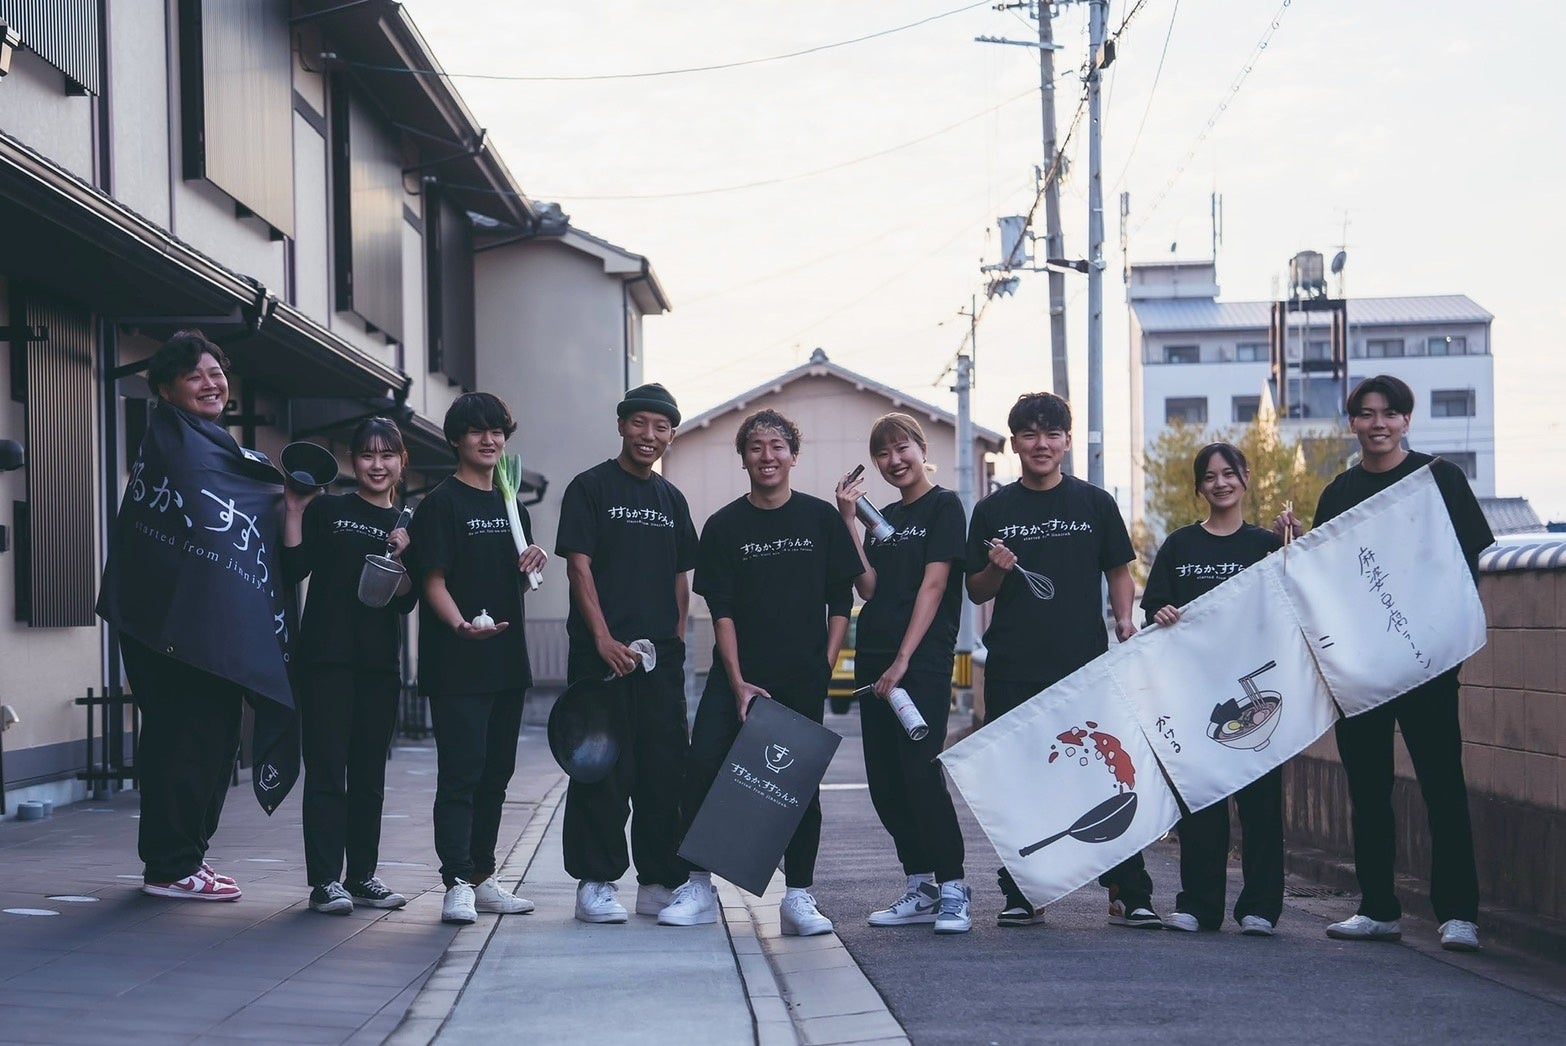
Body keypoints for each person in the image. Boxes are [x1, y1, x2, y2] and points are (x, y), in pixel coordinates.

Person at [1274, 374, 1493, 952]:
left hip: (1426, 661)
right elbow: (1327, 580)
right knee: (1368, 789)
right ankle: (1377, 908)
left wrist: (1444, 639)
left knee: (1442, 785)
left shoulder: (1439, 479)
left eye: (1390, 413)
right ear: (1352, 423)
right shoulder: (1339, 493)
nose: (1379, 424)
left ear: (1406, 420)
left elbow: (1466, 564)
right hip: (1362, 666)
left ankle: (1459, 914)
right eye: (1367, 414)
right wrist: (1294, 545)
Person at [658, 409, 862, 934]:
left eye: (776, 446)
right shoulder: (725, 525)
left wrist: (825, 663)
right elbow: (720, 610)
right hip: (737, 676)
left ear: (793, 455)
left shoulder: (820, 519)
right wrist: (737, 681)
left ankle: (798, 898)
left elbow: (841, 599)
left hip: (802, 676)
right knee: (703, 766)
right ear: (743, 458)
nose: (766, 456)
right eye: (755, 447)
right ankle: (697, 885)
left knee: (798, 784)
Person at [965, 392, 1158, 928]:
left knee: (1110, 773)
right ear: (1014, 444)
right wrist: (996, 568)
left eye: (1052, 434)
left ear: (1067, 441)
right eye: (1030, 434)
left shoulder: (1094, 503)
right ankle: (1025, 890)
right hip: (1013, 665)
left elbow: (1119, 570)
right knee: (1020, 780)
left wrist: (1125, 620)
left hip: (1084, 663)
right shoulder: (993, 511)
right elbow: (976, 591)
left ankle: (1128, 890)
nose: (1041, 444)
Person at [555, 383, 699, 924]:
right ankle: (595, 883)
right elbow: (579, 568)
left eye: (661, 427)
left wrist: (674, 640)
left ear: (671, 435)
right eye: (639, 423)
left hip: (660, 660)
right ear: (621, 426)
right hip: (602, 660)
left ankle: (659, 881)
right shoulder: (590, 487)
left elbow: (680, 577)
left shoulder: (672, 499)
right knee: (601, 768)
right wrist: (601, 639)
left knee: (665, 771)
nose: (649, 435)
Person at [408, 392, 549, 926]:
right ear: (456, 440)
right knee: (461, 775)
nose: (489, 441)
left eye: (497, 432)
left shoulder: (512, 506)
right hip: (457, 663)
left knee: (496, 776)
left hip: (507, 661)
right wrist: (460, 626)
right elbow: (432, 580)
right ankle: (456, 883)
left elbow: (520, 583)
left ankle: (484, 876)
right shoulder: (441, 504)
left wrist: (533, 563)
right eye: (477, 431)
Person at [833, 413, 970, 934]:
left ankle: (954, 886)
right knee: (886, 780)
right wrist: (849, 519)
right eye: (883, 454)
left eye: (902, 448)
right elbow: (867, 587)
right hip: (874, 656)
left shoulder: (944, 507)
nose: (894, 460)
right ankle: (921, 886)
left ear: (921, 449)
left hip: (920, 660)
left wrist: (904, 660)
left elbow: (934, 587)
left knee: (920, 772)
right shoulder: (883, 518)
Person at [1141, 442, 1284, 936]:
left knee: (1261, 805)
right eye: (1209, 476)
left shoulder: (1266, 545)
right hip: (1196, 693)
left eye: (1228, 473)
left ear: (1245, 478)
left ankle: (1261, 907)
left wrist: (1293, 549)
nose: (1220, 483)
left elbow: (1291, 604)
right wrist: (1160, 613)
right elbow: (1154, 607)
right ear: (1199, 487)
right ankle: (1199, 905)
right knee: (1200, 801)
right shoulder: (1180, 545)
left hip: (1258, 690)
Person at [282, 418, 418, 916]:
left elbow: (406, 601)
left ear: (401, 461)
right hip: (325, 659)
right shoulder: (331, 509)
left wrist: (404, 558)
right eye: (367, 455)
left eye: (387, 455)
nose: (377, 465)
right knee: (326, 770)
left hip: (379, 665)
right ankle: (324, 881)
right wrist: (294, 509)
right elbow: (294, 568)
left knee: (368, 775)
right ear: (352, 460)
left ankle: (361, 876)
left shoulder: (408, 524)